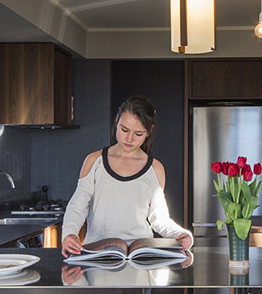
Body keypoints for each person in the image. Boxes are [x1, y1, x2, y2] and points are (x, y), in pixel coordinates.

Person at [61, 95, 193, 262]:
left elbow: (159, 218)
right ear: (117, 120)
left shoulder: (155, 168)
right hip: (97, 255)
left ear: (149, 131)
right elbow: (77, 207)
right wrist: (69, 233)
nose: (129, 139)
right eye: (124, 130)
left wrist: (180, 234)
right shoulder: (94, 161)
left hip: (140, 257)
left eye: (138, 133)